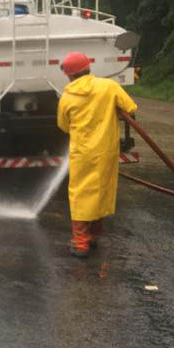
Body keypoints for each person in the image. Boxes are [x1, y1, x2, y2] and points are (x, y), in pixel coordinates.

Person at [57, 52, 138, 258]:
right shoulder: (108, 87)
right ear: (88, 68)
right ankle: (93, 236)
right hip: (106, 152)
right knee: (101, 191)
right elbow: (131, 108)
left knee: (80, 194)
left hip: (82, 153)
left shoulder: (67, 97)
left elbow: (63, 126)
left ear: (68, 75)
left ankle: (81, 242)